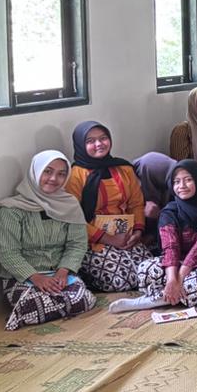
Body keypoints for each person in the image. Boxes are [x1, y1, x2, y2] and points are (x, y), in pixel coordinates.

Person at [0, 150, 94, 331]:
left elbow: (77, 244)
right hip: (22, 277)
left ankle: (42, 310)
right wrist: (36, 278)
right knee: (31, 304)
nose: (54, 178)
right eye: (47, 171)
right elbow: (8, 253)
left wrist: (63, 272)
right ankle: (42, 309)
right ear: (35, 171)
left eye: (61, 174)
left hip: (59, 275)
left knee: (83, 298)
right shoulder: (12, 209)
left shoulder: (69, 205)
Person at [108, 160, 197, 313]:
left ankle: (152, 300)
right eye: (176, 182)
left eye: (188, 180)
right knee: (145, 268)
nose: (182, 186)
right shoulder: (170, 211)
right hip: (175, 262)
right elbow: (170, 246)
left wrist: (179, 278)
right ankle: (181, 295)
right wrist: (172, 279)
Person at [65, 121, 149, 292]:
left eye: (103, 138)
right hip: (92, 240)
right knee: (120, 281)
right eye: (90, 141)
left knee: (148, 272)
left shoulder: (123, 168)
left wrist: (138, 231)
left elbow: (136, 203)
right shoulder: (75, 176)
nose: (99, 144)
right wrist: (109, 239)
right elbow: (73, 219)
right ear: (80, 145)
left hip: (126, 236)